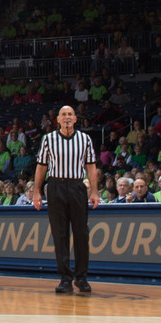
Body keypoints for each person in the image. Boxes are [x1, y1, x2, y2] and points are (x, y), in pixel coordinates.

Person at [32, 106, 99, 294]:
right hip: (56, 186)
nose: (67, 117)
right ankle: (65, 278)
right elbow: (41, 167)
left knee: (81, 234)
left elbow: (91, 167)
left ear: (75, 119)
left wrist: (95, 192)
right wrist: (36, 192)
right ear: (58, 120)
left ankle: (81, 277)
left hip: (77, 186)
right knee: (60, 234)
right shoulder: (48, 139)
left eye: (70, 114)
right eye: (64, 115)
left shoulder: (85, 139)